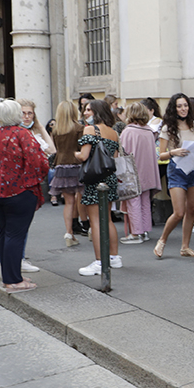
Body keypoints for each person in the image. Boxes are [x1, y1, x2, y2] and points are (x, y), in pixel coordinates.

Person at [0, 100, 50, 293]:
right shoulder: (22, 134)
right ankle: (12, 280)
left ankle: (11, 275)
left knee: (5, 232)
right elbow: (38, 161)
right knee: (14, 234)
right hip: (17, 190)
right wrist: (38, 178)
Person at [153, 93, 194, 258]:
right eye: (180, 106)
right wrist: (174, 152)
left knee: (192, 209)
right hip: (176, 170)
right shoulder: (168, 127)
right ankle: (162, 240)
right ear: (174, 108)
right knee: (179, 212)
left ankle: (185, 246)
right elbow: (161, 155)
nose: (183, 109)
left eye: (185, 105)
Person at [76, 99, 122, 276]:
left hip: (94, 178)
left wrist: (76, 154)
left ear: (97, 112)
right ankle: (114, 257)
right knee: (107, 219)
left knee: (95, 221)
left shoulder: (90, 129)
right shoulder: (113, 132)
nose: (86, 113)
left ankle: (99, 261)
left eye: (89, 110)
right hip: (109, 178)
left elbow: (84, 156)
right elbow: (115, 157)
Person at [119, 103, 161, 244]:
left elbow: (123, 153)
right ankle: (145, 231)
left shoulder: (128, 131)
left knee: (133, 201)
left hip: (133, 171)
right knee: (144, 201)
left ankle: (136, 233)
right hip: (148, 172)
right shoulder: (149, 131)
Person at [49, 101, 85, 248]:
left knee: (68, 202)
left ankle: (69, 233)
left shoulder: (56, 130)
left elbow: (56, 148)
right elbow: (82, 148)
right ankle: (89, 228)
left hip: (61, 166)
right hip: (77, 164)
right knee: (83, 197)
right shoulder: (79, 128)